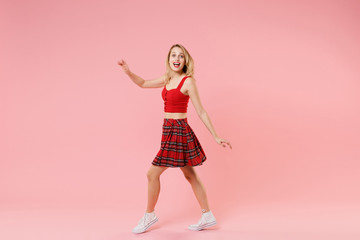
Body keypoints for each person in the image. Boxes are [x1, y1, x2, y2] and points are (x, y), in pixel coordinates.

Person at [118, 43, 232, 234]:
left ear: (185, 60)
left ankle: (149, 214)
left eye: (180, 56)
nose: (176, 59)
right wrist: (128, 72)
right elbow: (143, 83)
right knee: (190, 175)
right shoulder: (167, 78)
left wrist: (216, 136)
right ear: (169, 59)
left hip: (179, 131)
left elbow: (201, 112)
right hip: (168, 130)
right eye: (173, 55)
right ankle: (207, 214)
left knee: (152, 174)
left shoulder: (188, 82)